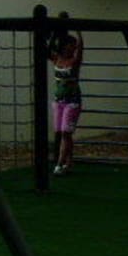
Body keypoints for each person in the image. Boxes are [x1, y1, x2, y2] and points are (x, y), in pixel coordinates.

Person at [51, 31, 84, 175]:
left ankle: (59, 164)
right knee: (62, 133)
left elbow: (81, 49)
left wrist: (79, 33)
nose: (73, 48)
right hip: (59, 101)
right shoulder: (56, 59)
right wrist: (54, 33)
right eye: (71, 45)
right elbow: (47, 49)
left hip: (72, 102)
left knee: (66, 132)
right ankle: (69, 162)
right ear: (64, 46)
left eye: (74, 46)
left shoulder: (74, 62)